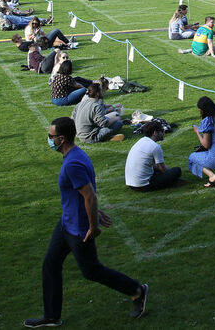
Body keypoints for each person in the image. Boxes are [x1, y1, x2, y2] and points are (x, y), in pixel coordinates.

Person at [27, 117, 147, 327]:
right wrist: (96, 212)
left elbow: (89, 195)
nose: (49, 139)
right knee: (50, 264)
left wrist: (93, 226)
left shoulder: (73, 163)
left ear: (62, 139)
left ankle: (137, 290)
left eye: (51, 136)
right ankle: (52, 316)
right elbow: (82, 195)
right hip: (66, 224)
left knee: (92, 271)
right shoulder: (75, 155)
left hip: (79, 229)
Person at [125, 120, 183, 192]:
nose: (164, 133)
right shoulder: (155, 147)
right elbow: (162, 169)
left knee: (158, 171)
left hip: (131, 184)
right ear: (155, 133)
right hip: (144, 186)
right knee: (177, 170)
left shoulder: (140, 141)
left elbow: (152, 165)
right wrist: (171, 172)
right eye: (162, 131)